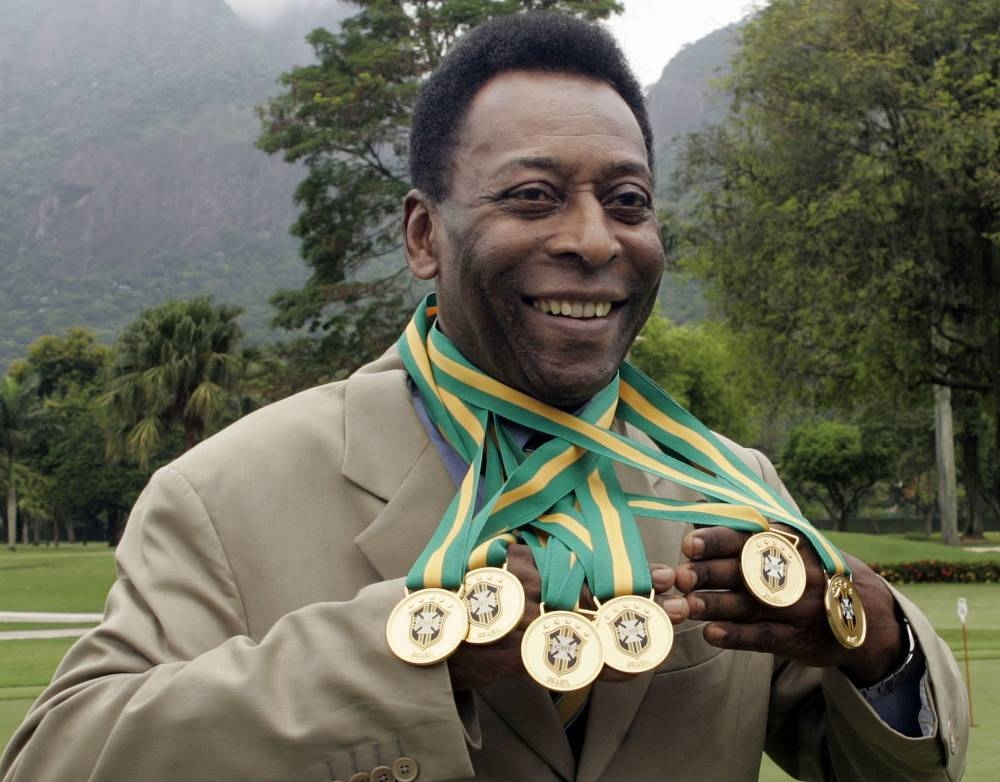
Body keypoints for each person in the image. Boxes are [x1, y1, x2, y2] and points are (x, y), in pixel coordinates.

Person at [1, 13, 968, 782]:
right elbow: (58, 758)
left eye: (628, 201)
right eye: (533, 196)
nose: (594, 239)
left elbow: (894, 766)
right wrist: (410, 653)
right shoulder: (224, 496)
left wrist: (875, 642)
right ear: (425, 236)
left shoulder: (733, 489)